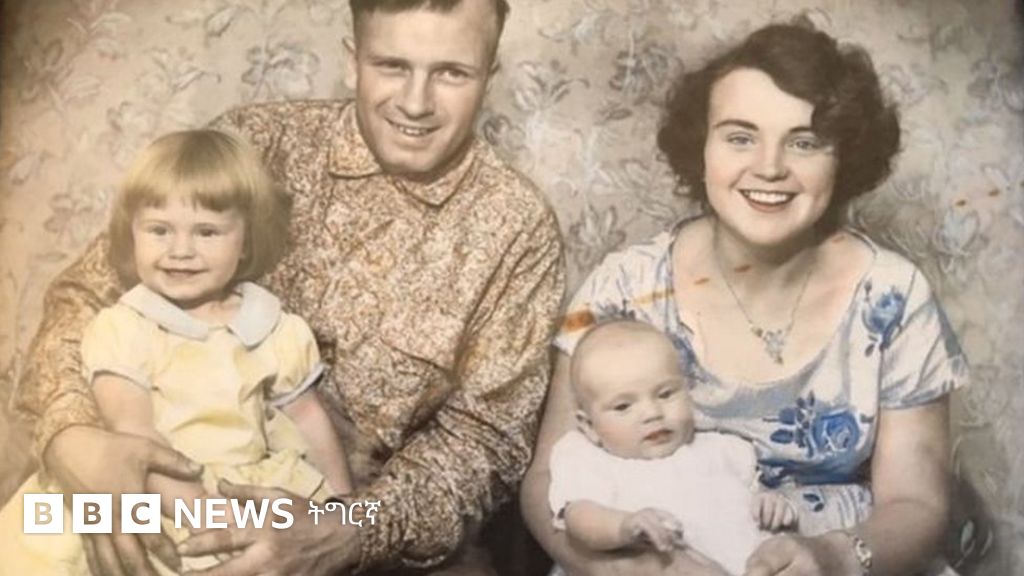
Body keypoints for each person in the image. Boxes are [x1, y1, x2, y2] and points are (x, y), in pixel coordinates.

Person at [11, 0, 565, 574]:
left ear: (489, 76)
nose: (416, 102)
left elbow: (482, 444)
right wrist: (72, 438)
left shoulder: (517, 226)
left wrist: (350, 529)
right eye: (392, 66)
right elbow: (85, 297)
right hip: (155, 487)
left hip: (361, 534)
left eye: (451, 72)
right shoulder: (256, 142)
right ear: (352, 61)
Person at [522, 20, 967, 576]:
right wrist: (629, 570)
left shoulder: (895, 296)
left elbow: (916, 504)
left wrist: (831, 557)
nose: (770, 168)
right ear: (701, 149)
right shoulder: (623, 288)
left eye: (804, 142)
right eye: (740, 137)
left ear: (844, 157)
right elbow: (549, 479)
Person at [0, 129, 352, 575]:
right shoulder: (126, 325)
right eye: (159, 230)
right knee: (53, 543)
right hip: (150, 486)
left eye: (206, 232)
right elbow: (132, 429)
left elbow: (306, 417)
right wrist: (201, 513)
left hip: (240, 485)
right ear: (132, 234)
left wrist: (342, 507)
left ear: (245, 241)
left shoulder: (274, 327)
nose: (180, 251)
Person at [548, 320, 796, 576]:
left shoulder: (720, 449)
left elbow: (752, 495)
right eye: (623, 406)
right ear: (589, 426)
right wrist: (624, 527)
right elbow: (579, 520)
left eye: (665, 394)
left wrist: (769, 504)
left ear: (687, 392)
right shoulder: (588, 459)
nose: (652, 413)